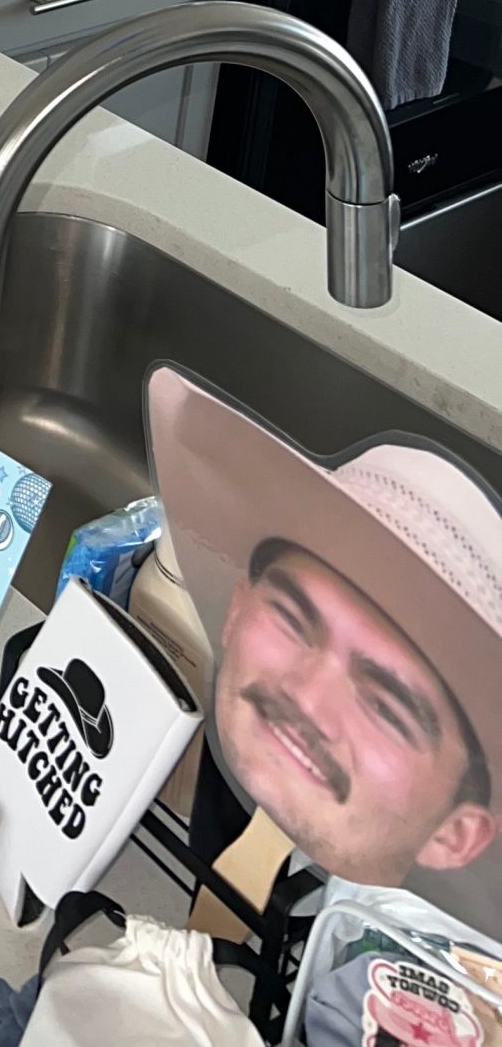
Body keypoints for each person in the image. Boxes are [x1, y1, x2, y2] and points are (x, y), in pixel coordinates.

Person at [148, 369, 502, 920]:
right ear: (237, 608)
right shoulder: (232, 763)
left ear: (454, 835)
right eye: (292, 619)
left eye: (387, 708)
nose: (307, 697)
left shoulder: (408, 957)